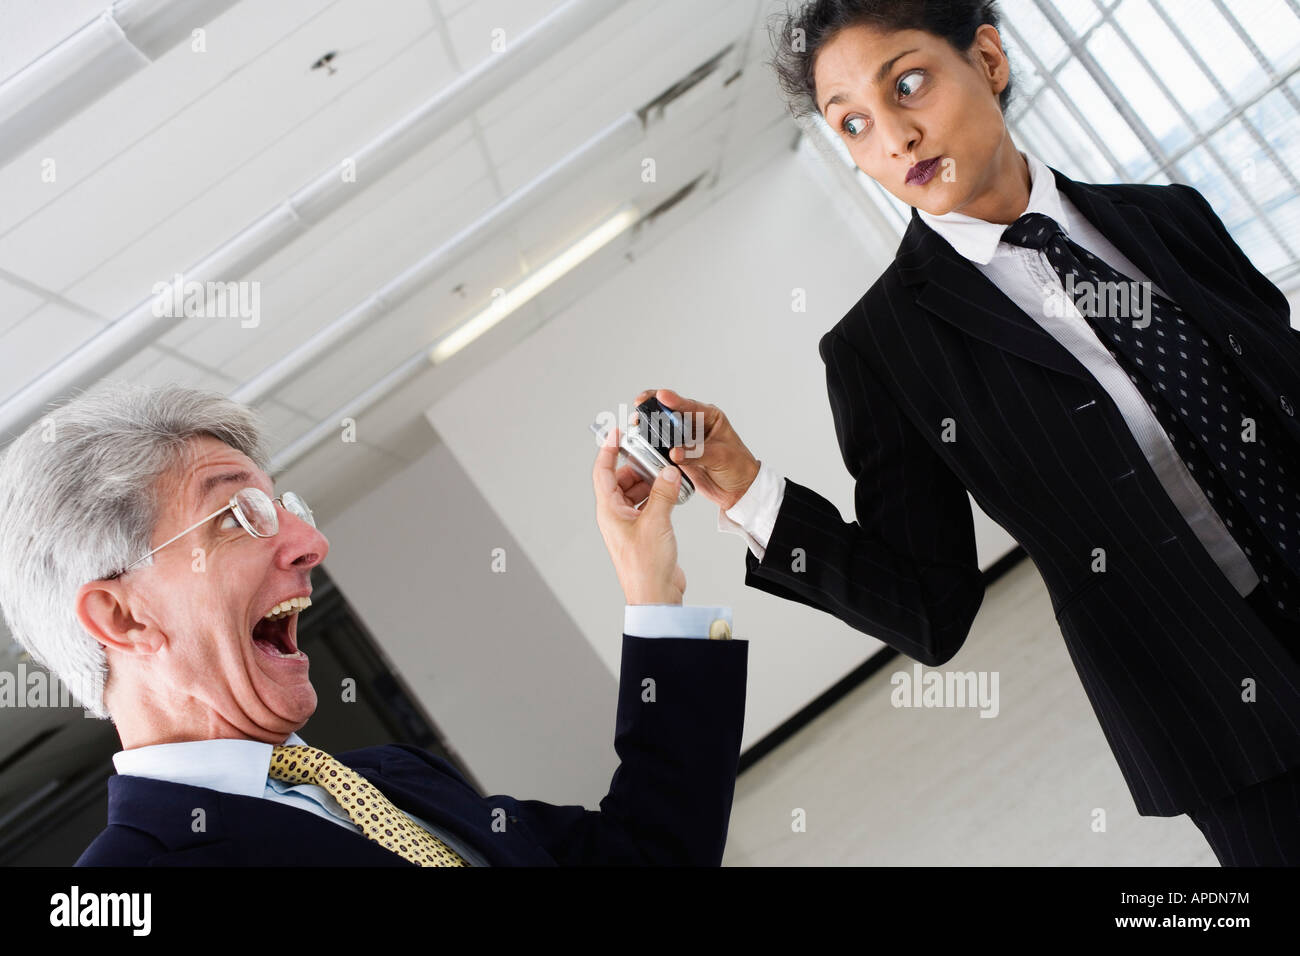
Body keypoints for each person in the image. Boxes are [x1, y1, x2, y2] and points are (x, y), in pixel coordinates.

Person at [636, 0, 1300, 865]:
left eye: (907, 84)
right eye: (856, 126)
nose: (896, 138)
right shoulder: (884, 349)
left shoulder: (1167, 216)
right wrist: (749, 491)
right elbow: (927, 607)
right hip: (1230, 710)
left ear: (987, 59)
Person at [0, 381, 747, 866]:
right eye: (236, 516)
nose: (309, 543)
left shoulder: (388, 778)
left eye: (286, 508)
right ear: (122, 615)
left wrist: (652, 590)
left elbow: (650, 856)